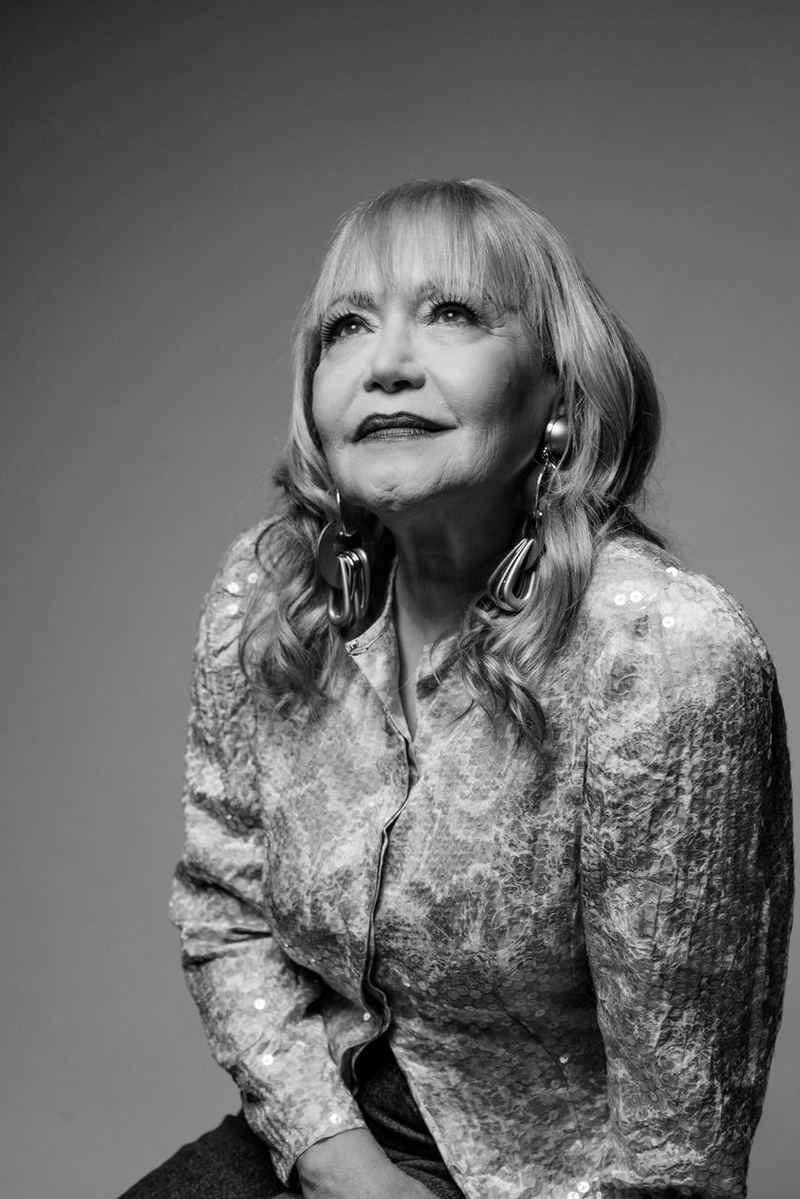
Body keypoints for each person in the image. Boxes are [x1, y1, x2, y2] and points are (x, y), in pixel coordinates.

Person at [122, 179, 793, 1199]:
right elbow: (227, 912)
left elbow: (676, 1155)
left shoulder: (665, 658)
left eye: (451, 312)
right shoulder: (271, 595)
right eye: (348, 325)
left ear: (558, 392)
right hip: (324, 1123)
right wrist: (338, 1161)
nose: (387, 361)